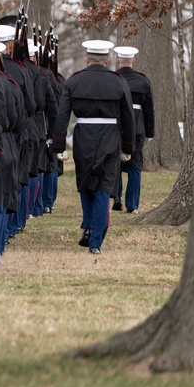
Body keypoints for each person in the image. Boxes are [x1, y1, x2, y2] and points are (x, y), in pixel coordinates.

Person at [52, 40, 135, 254]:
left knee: (85, 182)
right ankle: (95, 240)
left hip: (83, 136)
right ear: (107, 60)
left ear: (88, 59)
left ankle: (88, 226)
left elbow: (62, 115)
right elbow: (128, 116)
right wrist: (128, 147)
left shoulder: (74, 80)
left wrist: (59, 144)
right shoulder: (118, 82)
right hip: (110, 137)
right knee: (104, 187)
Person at [113, 46, 155, 214]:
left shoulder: (114, 79)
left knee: (115, 162)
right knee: (135, 165)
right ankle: (132, 205)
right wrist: (149, 132)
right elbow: (149, 109)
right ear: (133, 61)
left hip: (116, 126)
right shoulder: (143, 81)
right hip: (137, 127)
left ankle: (116, 197)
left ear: (118, 60)